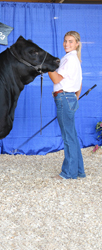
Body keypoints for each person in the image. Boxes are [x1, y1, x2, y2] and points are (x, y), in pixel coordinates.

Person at [48, 31, 85, 179]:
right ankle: (79, 171)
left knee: (68, 138)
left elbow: (56, 79)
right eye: (65, 41)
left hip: (63, 97)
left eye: (70, 41)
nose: (66, 44)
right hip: (69, 97)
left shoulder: (69, 59)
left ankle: (69, 173)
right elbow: (79, 84)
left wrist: (47, 67)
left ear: (77, 43)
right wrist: (74, 97)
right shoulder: (75, 59)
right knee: (72, 136)